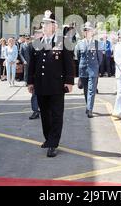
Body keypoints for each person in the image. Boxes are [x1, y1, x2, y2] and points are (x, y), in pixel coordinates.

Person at [27, 10, 75, 157]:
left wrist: (69, 81)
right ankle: (48, 138)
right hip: (41, 85)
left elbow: (69, 63)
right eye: (43, 23)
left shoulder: (62, 42)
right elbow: (32, 65)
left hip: (56, 85)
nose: (45, 26)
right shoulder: (37, 42)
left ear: (55, 26)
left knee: (56, 115)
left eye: (48, 23)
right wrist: (30, 82)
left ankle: (53, 143)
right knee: (45, 115)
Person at [75, 22, 103, 118]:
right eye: (85, 30)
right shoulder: (79, 43)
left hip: (93, 69)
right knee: (86, 90)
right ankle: (88, 106)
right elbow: (78, 56)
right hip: (83, 69)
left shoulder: (97, 44)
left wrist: (95, 67)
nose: (87, 32)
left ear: (92, 32)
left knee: (91, 90)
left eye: (89, 30)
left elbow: (100, 58)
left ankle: (90, 109)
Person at [29, 29, 43, 120]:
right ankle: (35, 111)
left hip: (48, 76)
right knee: (34, 95)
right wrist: (29, 81)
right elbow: (32, 63)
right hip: (36, 75)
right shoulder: (33, 45)